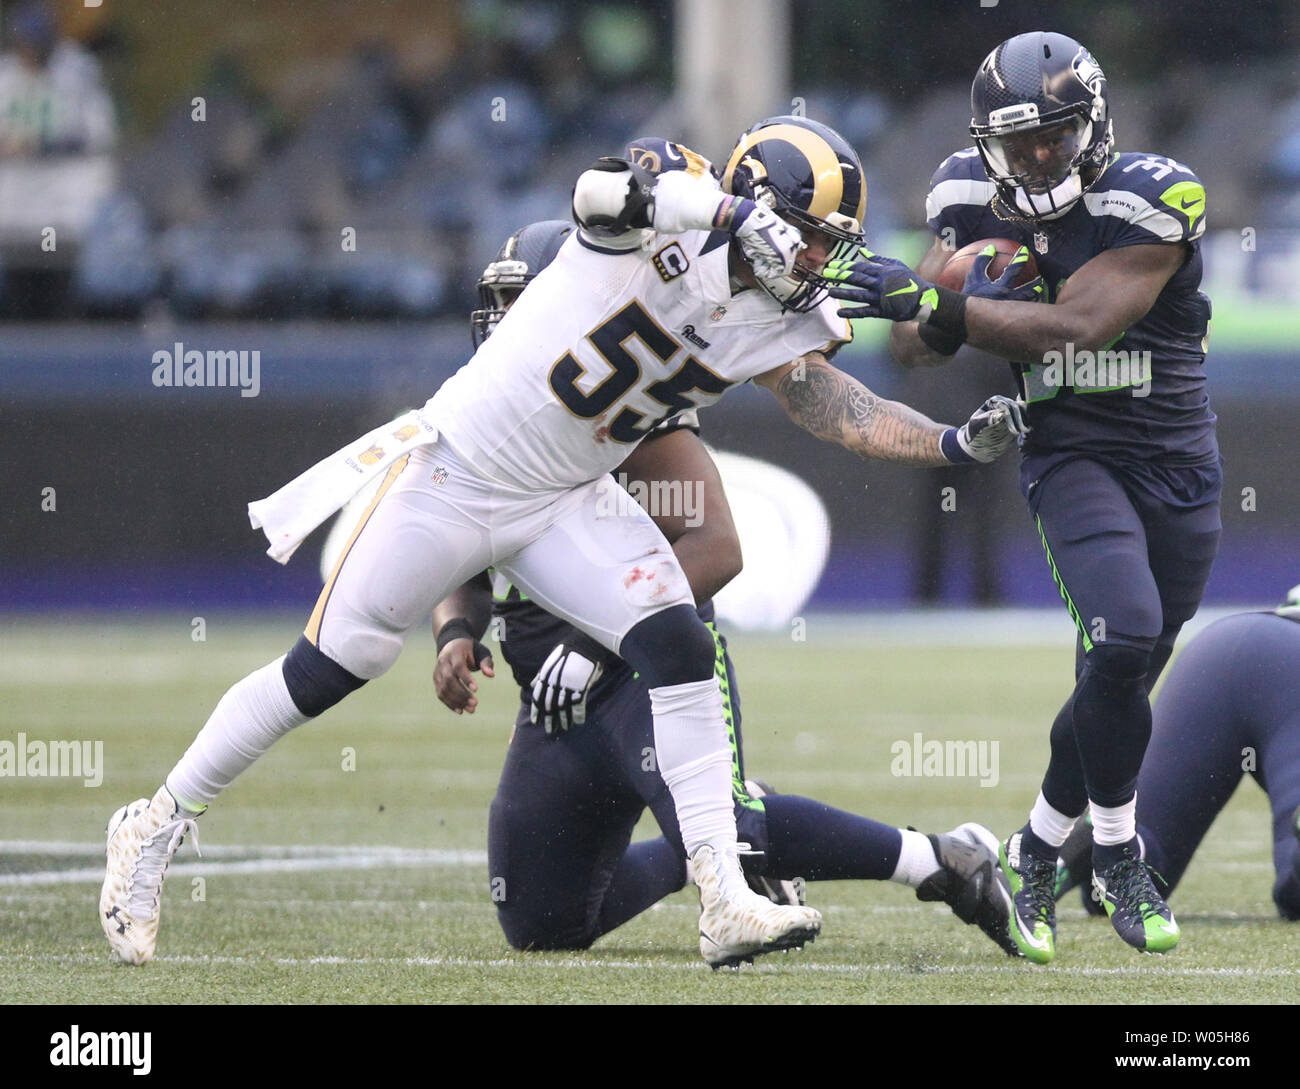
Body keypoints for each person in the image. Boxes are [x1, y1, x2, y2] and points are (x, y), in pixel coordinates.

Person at [100, 117, 1022, 969]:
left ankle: (724, 896)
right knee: (328, 667)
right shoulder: (670, 214)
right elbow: (595, 193)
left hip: (563, 497)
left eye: (834, 243)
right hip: (457, 472)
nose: (822, 258)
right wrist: (737, 213)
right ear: (760, 208)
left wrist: (943, 443)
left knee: (675, 637)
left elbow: (836, 406)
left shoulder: (781, 314)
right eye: (813, 234)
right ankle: (156, 821)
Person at [434, 219, 1021, 963]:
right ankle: (728, 839)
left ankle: (941, 860)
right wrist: (455, 630)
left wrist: (591, 641)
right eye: (500, 303)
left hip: (642, 673)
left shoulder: (629, 405)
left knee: (732, 832)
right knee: (542, 920)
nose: (505, 323)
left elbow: (715, 547)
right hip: (549, 693)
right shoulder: (477, 412)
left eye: (524, 303)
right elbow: (455, 543)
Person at [825, 33, 1220, 962]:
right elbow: (913, 349)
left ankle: (1037, 845)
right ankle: (1119, 853)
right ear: (987, 142)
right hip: (1070, 450)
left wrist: (938, 305)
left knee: (1119, 671)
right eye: (1021, 142)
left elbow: (1080, 323)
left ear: (1095, 123)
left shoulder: (1152, 195)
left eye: (1056, 135)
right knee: (1122, 633)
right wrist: (925, 298)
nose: (1040, 156)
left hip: (1177, 461)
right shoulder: (965, 193)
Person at [1056, 591, 1300, 922]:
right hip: (1290, 684)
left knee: (1121, 880)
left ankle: (1032, 858)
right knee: (1295, 890)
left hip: (1226, 645)